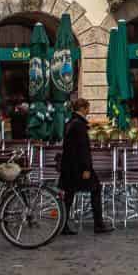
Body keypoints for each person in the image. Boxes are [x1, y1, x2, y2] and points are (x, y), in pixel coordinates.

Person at [58, 97, 110, 235]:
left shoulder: (70, 122)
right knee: (96, 189)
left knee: (69, 195)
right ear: (82, 108)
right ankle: (98, 224)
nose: (89, 110)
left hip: (69, 166)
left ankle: (62, 225)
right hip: (78, 168)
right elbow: (82, 149)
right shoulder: (79, 125)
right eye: (87, 108)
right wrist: (87, 168)